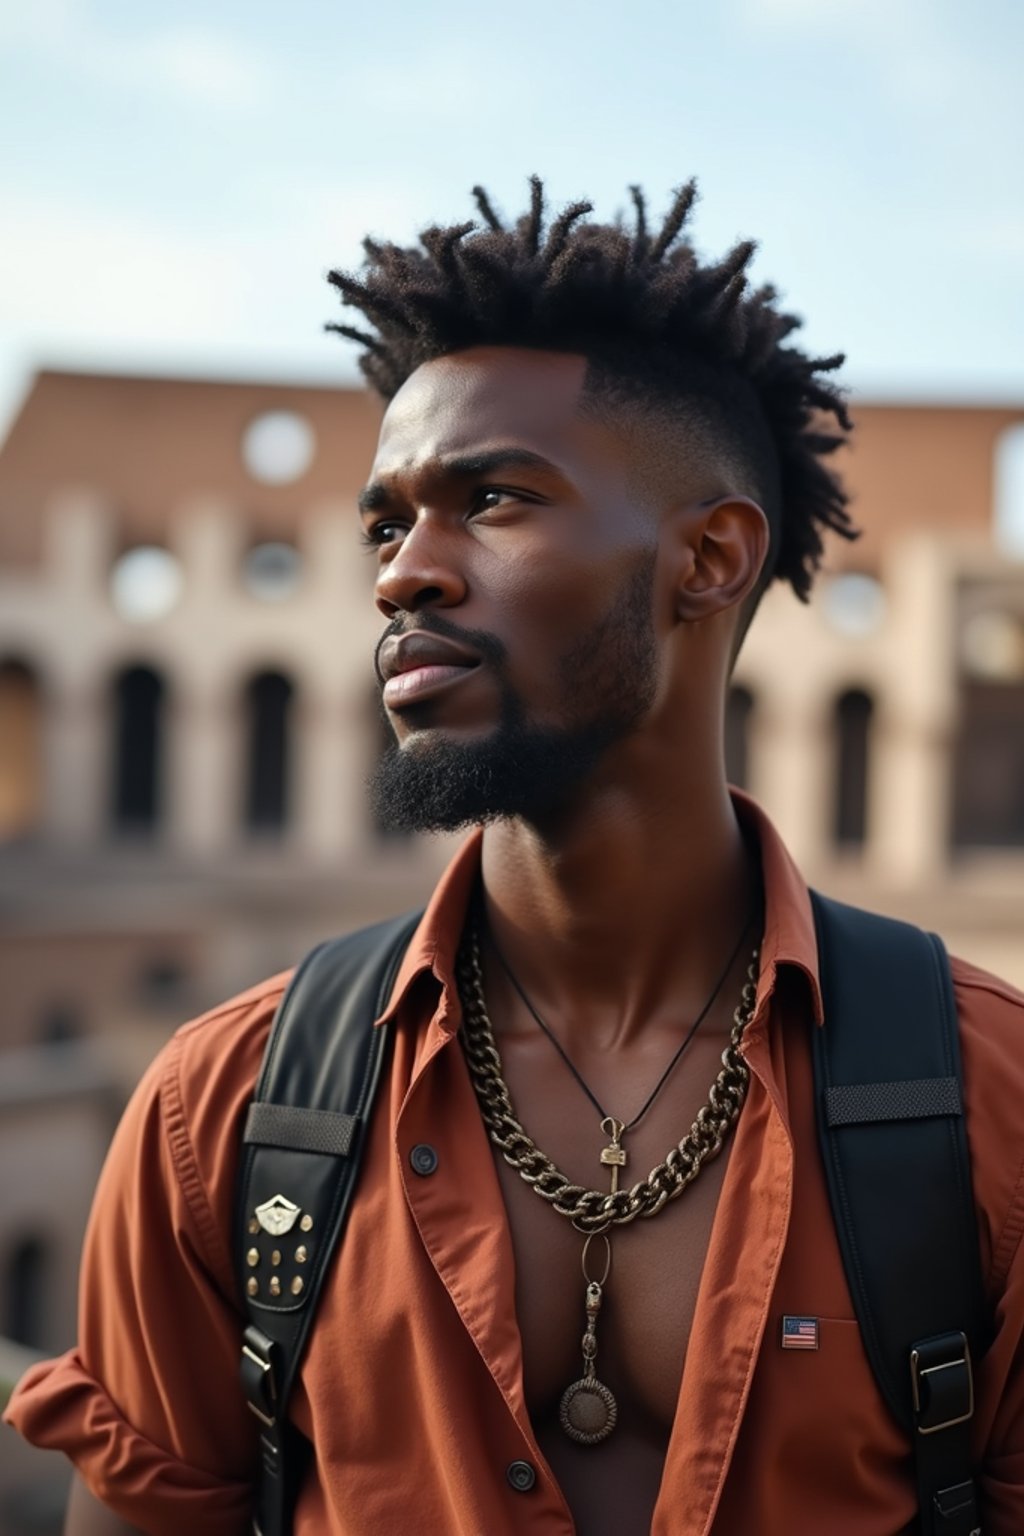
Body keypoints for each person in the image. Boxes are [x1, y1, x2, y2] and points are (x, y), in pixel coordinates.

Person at [6, 178, 1024, 1536]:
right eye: (386, 523)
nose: (402, 574)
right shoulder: (227, 1113)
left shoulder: (989, 1108)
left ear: (710, 557)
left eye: (489, 500)